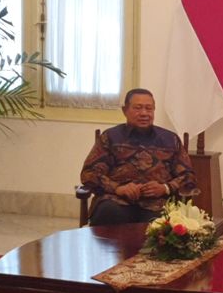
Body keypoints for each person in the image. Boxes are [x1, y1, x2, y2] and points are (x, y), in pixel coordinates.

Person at [80, 88, 199, 226]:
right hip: (116, 200)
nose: (144, 113)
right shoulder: (110, 137)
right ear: (125, 110)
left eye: (149, 108)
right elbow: (89, 174)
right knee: (108, 212)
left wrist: (165, 188)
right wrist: (117, 188)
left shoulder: (170, 139)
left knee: (162, 223)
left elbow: (189, 177)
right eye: (138, 108)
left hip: (158, 203)